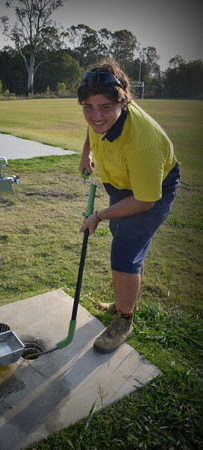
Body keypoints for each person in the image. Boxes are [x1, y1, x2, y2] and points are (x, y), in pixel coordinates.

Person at [78, 58, 180, 354]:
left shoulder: (142, 141)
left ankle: (123, 320)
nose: (96, 116)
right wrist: (86, 154)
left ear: (123, 102)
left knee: (124, 252)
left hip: (150, 189)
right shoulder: (100, 115)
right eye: (88, 107)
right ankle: (125, 299)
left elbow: (146, 199)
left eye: (105, 108)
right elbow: (94, 127)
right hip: (121, 183)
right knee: (126, 244)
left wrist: (99, 215)